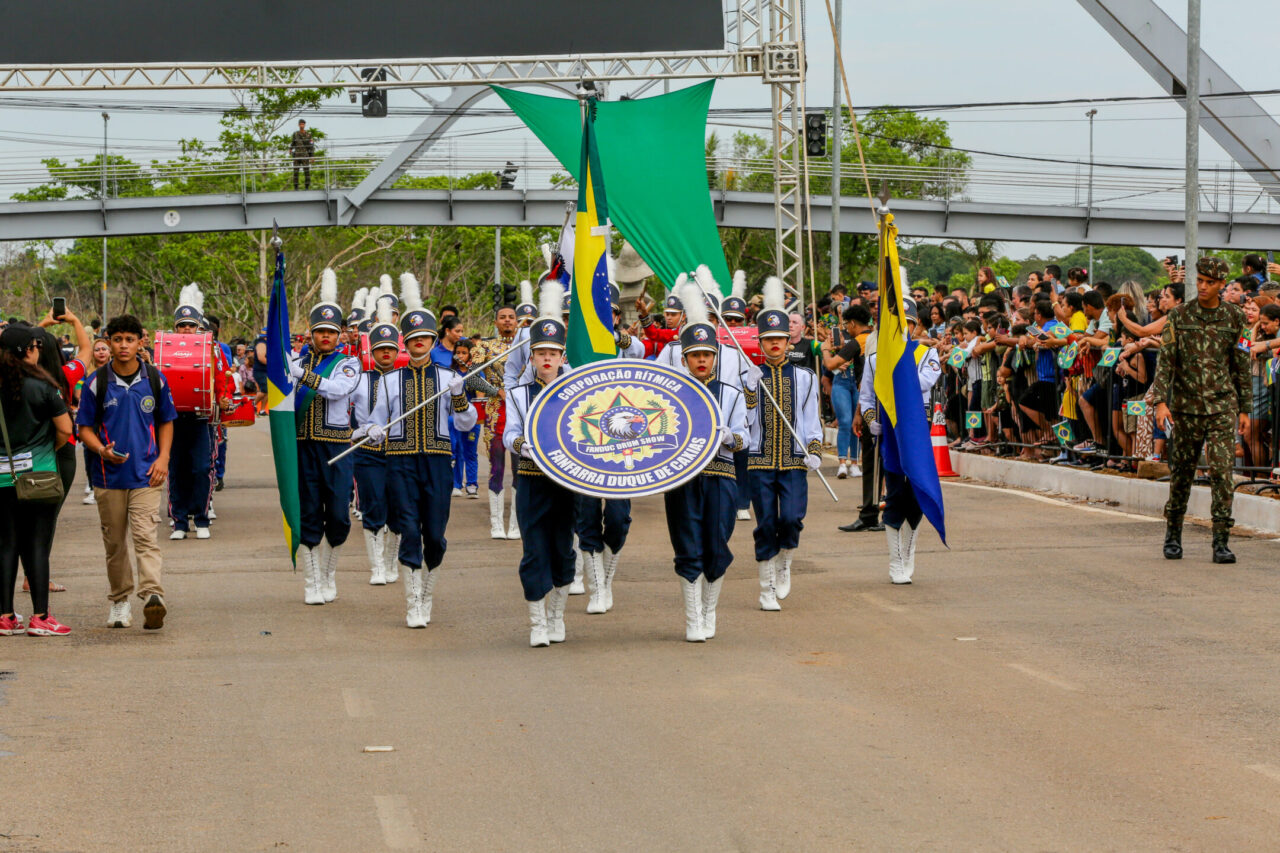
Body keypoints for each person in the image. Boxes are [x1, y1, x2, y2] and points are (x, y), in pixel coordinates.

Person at [361, 274, 473, 628]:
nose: (419, 342)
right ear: (405, 344)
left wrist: (459, 396)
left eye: (425, 337)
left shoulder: (448, 378)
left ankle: (427, 595)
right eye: (413, 338)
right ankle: (413, 603)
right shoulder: (389, 380)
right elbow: (374, 423)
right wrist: (373, 430)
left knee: (435, 536)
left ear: (433, 340)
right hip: (400, 463)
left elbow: (466, 423)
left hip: (438, 463)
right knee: (409, 531)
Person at [76, 314, 177, 631]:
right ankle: (120, 601)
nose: (123, 346)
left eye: (129, 340)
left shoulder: (155, 379)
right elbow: (84, 429)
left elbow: (166, 421)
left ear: (140, 342)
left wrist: (163, 458)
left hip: (148, 474)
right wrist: (101, 450)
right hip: (108, 478)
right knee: (115, 543)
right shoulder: (97, 382)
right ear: (108, 342)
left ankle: (153, 596)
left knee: (146, 537)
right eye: (117, 339)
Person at [1152, 257, 1251, 563]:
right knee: (1182, 473)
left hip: (1222, 406)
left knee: (1222, 473)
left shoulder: (1235, 317)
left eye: (1210, 282)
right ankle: (1173, 534)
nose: (1203, 287)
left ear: (1222, 284)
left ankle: (1221, 541)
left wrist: (1245, 408)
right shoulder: (1180, 315)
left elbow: (1242, 364)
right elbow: (1165, 361)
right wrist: (1160, 402)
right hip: (1186, 407)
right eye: (1200, 281)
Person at [664, 281, 748, 641]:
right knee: (687, 545)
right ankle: (692, 617)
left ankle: (709, 609)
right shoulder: (670, 391)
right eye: (695, 354)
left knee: (717, 544)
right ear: (684, 358)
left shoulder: (731, 393)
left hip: (721, 476)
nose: (701, 360)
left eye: (707, 354)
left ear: (715, 357)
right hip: (682, 480)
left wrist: (729, 436)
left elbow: (745, 438)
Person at [503, 281, 575, 647]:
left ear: (563, 357)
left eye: (553, 353)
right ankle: (537, 623)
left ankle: (556, 616)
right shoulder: (518, 394)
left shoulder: (579, 390)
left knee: (563, 549)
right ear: (531, 358)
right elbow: (509, 434)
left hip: (567, 483)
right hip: (531, 480)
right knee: (533, 551)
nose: (547, 358)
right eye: (540, 353)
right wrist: (523, 446)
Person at [749, 276, 823, 611]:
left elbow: (811, 420)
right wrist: (750, 391)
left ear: (788, 340)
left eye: (779, 338)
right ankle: (766, 588)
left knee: (791, 519)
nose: (775, 343)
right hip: (759, 461)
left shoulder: (805, 377)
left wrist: (815, 449)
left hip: (794, 460)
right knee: (766, 523)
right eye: (769, 339)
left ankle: (785, 563)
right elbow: (744, 420)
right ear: (761, 343)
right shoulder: (749, 376)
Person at [289, 269, 362, 605]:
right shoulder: (295, 361)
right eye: (320, 331)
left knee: (338, 514)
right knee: (307, 512)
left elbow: (338, 390)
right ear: (311, 333)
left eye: (331, 332)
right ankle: (311, 581)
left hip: (336, 447)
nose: (326, 336)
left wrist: (301, 375)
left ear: (339, 334)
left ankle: (329, 573)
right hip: (303, 445)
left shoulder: (348, 363)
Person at [858, 298, 942, 584]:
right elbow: (867, 396)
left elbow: (923, 383)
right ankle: (895, 560)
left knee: (916, 495)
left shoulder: (927, 354)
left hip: (917, 434)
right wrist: (871, 419)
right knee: (894, 495)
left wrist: (896, 366)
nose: (903, 328)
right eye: (897, 323)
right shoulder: (874, 359)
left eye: (908, 323)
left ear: (915, 326)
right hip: (890, 435)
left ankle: (908, 553)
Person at [0, 324, 74, 636]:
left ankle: (5, 617)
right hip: (39, 476)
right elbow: (66, 429)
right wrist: (48, 449)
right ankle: (41, 617)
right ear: (27, 351)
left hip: (2, 476)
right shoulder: (43, 386)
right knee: (37, 545)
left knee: (6, 545)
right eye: (35, 345)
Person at [166, 285, 232, 540]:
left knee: (202, 468)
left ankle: (201, 518)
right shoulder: (166, 347)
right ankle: (179, 522)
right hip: (173, 420)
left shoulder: (212, 349)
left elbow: (222, 379)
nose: (186, 329)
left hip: (201, 418)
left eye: (191, 325)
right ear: (175, 328)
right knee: (176, 470)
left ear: (198, 327)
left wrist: (223, 398)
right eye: (182, 325)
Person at [349, 295, 402, 586]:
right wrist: (360, 431)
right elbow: (343, 414)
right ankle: (377, 567)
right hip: (368, 452)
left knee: (398, 510)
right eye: (380, 348)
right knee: (373, 508)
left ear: (397, 350)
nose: (385, 353)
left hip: (400, 453)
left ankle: (391, 562)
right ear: (372, 349)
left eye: (390, 348)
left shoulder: (407, 378)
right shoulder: (358, 378)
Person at [471, 298, 522, 539]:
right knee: (497, 466)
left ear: (517, 321)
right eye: (503, 317)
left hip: (521, 409)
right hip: (496, 410)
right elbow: (472, 377)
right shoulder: (484, 346)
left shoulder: (526, 345)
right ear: (496, 322)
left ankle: (516, 523)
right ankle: (496, 523)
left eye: (511, 317)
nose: (507, 321)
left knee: (521, 466)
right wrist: (495, 391)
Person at [821, 303, 872, 479]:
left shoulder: (858, 341)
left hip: (862, 388)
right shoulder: (875, 337)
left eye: (847, 325)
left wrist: (825, 350)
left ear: (852, 323)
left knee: (855, 425)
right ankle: (844, 463)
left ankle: (855, 463)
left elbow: (830, 364)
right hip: (861, 387)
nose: (846, 329)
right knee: (849, 423)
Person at [448, 338, 483, 498]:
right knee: (456, 450)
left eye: (464, 353)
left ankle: (472, 484)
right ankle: (456, 484)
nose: (460, 356)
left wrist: (477, 420)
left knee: (470, 451)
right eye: (458, 352)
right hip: (454, 418)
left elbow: (480, 398)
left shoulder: (476, 373)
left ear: (470, 355)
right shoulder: (450, 373)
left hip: (472, 419)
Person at [290, 119, 314, 190]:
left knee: (306, 171)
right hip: (297, 155)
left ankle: (307, 186)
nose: (301, 125)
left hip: (305, 155)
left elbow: (311, 146)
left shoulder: (309, 135)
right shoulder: (295, 134)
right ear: (298, 125)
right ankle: (296, 187)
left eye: (303, 124)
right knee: (295, 172)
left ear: (305, 125)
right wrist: (290, 149)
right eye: (300, 124)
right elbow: (293, 143)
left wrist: (312, 157)